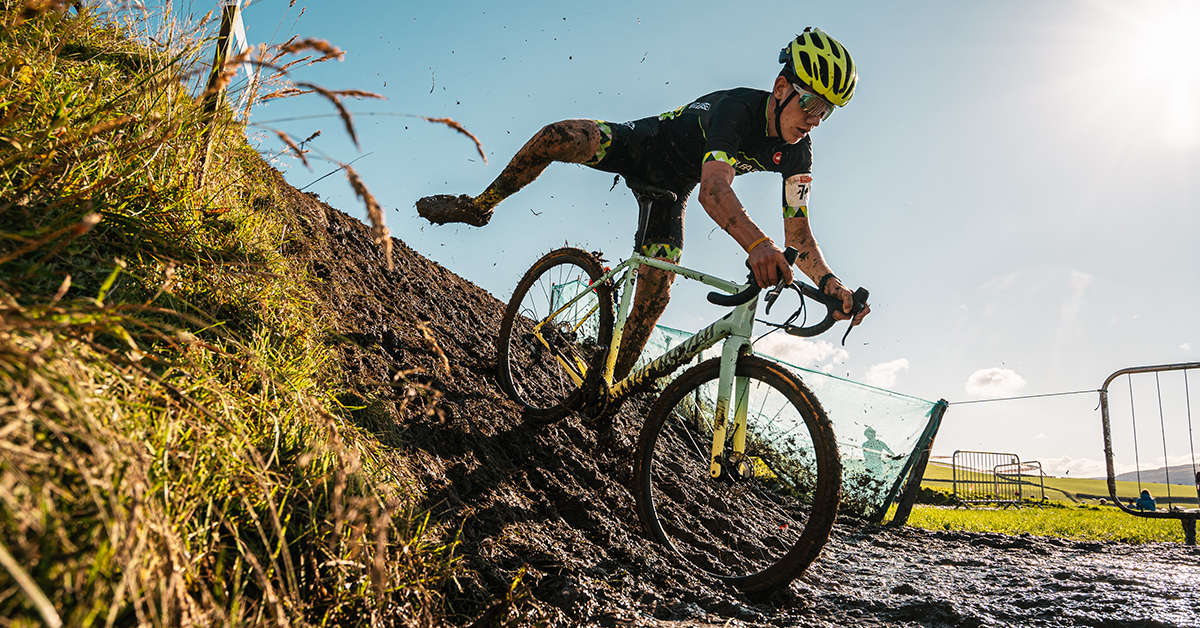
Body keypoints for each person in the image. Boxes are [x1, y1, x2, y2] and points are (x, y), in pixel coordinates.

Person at [417, 28, 870, 379]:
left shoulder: (798, 153)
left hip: (672, 190)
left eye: (825, 112)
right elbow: (716, 190)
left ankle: (607, 388)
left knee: (654, 298)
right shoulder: (739, 111)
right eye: (810, 103)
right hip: (644, 144)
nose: (813, 120)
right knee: (558, 136)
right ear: (780, 88)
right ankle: (481, 205)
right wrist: (758, 245)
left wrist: (833, 285)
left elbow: (799, 236)